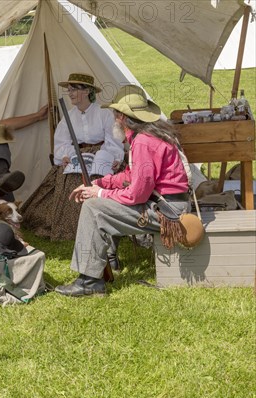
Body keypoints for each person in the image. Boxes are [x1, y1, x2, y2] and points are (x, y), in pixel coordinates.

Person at [54, 85, 191, 297]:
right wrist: (99, 185)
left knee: (93, 208)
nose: (114, 119)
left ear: (122, 117)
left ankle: (89, 281)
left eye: (115, 114)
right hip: (167, 205)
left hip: (168, 212)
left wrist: (98, 195)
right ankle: (102, 263)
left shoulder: (144, 142)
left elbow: (137, 195)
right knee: (98, 203)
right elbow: (129, 176)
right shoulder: (146, 136)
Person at [21, 73, 124, 242]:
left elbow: (114, 140)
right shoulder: (69, 116)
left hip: (102, 155)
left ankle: (101, 222)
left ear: (86, 91)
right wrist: (67, 155)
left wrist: (108, 157)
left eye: (74, 89)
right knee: (71, 179)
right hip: (77, 156)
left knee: (98, 178)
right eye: (69, 90)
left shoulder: (104, 114)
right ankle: (69, 228)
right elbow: (61, 142)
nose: (70, 93)